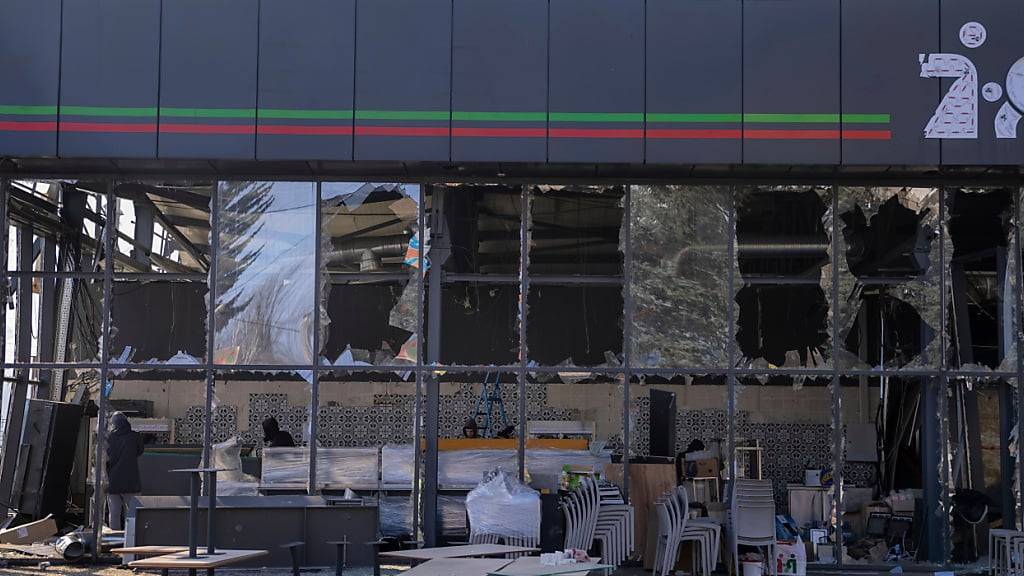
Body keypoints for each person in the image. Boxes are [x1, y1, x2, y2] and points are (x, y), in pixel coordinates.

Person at [105, 412, 143, 530]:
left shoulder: (109, 438)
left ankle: (115, 540)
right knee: (132, 514)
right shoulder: (135, 436)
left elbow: (105, 457)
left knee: (114, 514)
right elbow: (140, 451)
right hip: (132, 481)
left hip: (113, 482)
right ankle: (131, 539)